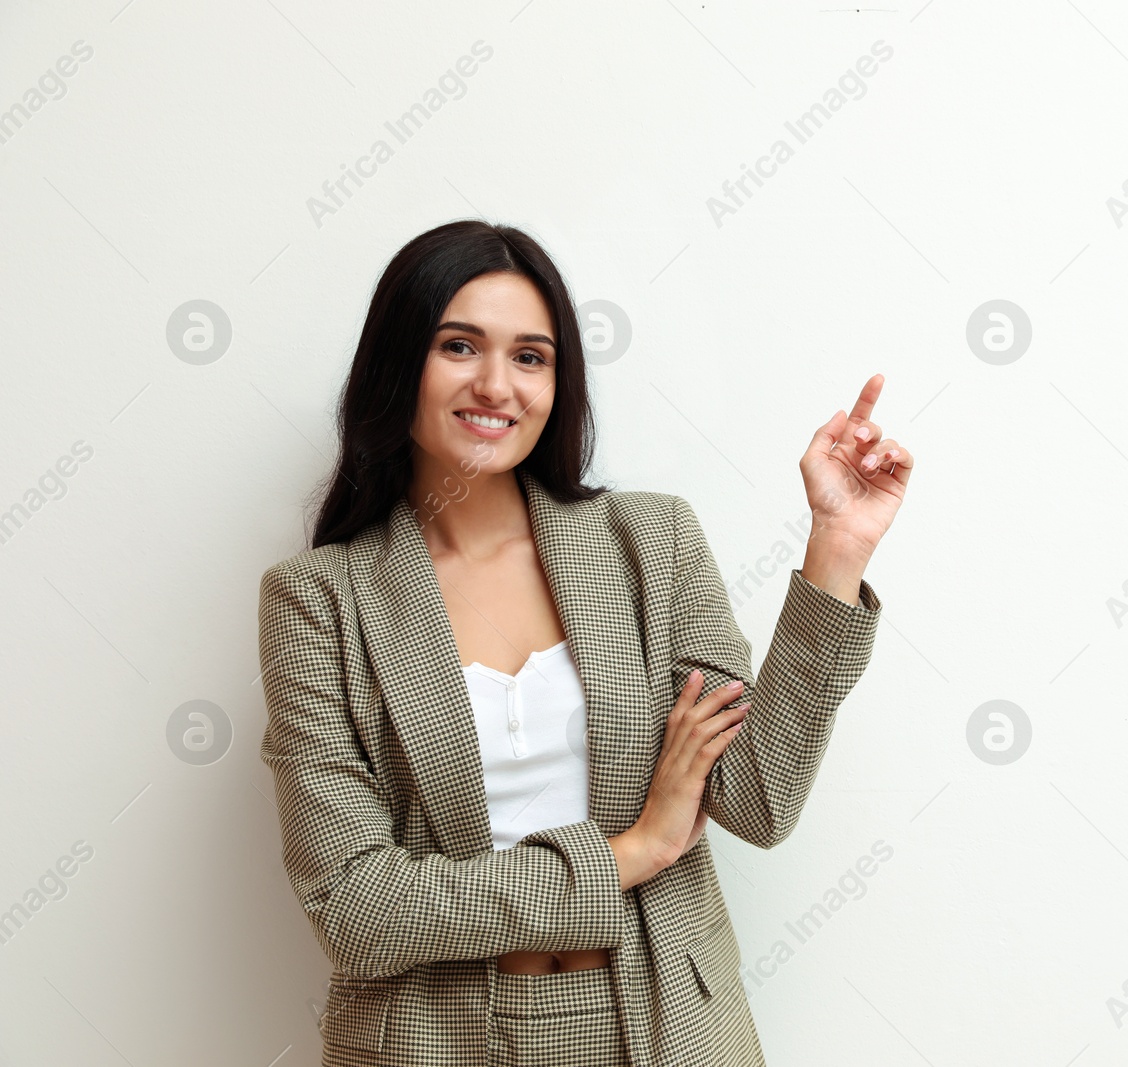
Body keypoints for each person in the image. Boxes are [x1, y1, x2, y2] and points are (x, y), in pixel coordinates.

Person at [256, 220, 913, 1066]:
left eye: (531, 356)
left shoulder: (652, 541)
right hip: (431, 1039)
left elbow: (758, 797)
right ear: (399, 364)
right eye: (460, 346)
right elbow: (357, 910)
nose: (497, 384)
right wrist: (631, 851)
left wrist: (836, 549)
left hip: (668, 1025)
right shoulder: (317, 601)